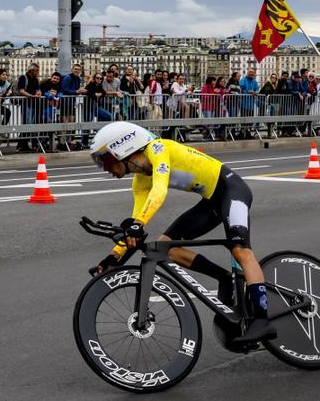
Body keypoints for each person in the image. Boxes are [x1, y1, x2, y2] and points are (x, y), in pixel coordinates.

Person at [87, 121, 275, 344]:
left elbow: (159, 191)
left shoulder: (158, 149)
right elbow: (138, 223)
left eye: (105, 160)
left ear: (123, 148)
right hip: (212, 202)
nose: (105, 168)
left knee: (241, 251)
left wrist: (137, 225)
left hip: (233, 190)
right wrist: (113, 257)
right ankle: (224, 278)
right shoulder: (140, 182)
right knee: (167, 247)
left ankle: (262, 320)